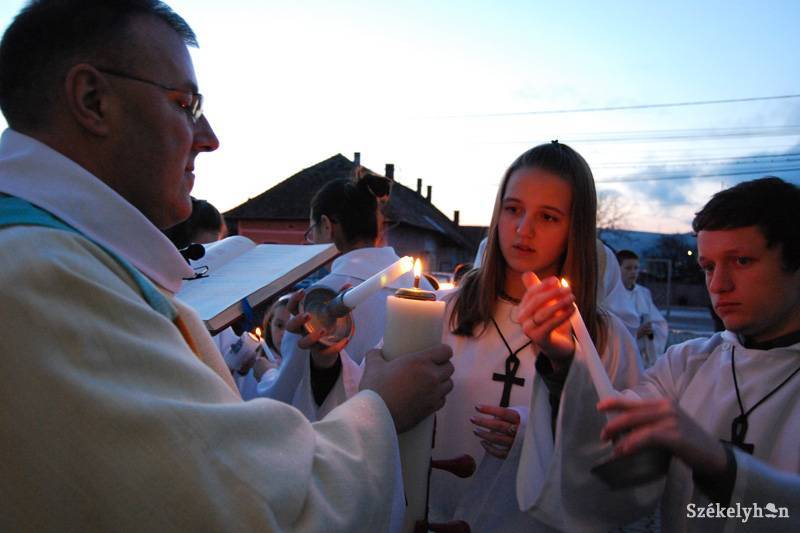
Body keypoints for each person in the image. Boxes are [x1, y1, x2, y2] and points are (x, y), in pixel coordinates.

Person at [0, 1, 453, 530]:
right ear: (93, 100)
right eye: (185, 103)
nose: (209, 136)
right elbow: (237, 506)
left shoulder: (67, 261)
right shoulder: (43, 280)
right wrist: (380, 410)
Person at [516, 177, 800, 532]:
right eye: (709, 267)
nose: (718, 284)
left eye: (741, 261)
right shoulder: (685, 365)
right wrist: (565, 363)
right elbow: (613, 474)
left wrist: (719, 464)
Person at [427, 141, 642, 529]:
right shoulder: (445, 311)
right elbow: (374, 399)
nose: (523, 230)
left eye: (547, 217)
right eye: (513, 210)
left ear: (573, 229)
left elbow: (626, 459)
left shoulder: (605, 338)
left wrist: (536, 433)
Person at [258, 176, 432, 420]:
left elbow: (285, 403)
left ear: (327, 225)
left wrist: (264, 372)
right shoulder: (424, 288)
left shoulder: (318, 301)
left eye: (311, 232)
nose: (312, 241)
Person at [617, 248, 669, 366]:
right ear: (617, 269)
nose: (633, 272)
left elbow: (659, 323)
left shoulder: (643, 293)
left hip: (642, 357)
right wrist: (634, 334)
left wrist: (652, 329)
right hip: (622, 359)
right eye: (628, 268)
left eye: (636, 268)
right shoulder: (611, 295)